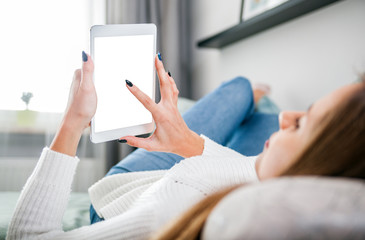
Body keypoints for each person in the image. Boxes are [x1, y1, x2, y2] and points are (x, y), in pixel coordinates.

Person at [6, 52, 365, 240]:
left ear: (321, 164)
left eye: (302, 123)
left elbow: (30, 237)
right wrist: (190, 142)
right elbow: (237, 171)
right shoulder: (292, 188)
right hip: (204, 165)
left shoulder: (170, 209)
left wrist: (72, 121)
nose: (289, 116)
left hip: (129, 196)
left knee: (240, 89)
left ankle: (253, 95)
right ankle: (255, 100)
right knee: (263, 122)